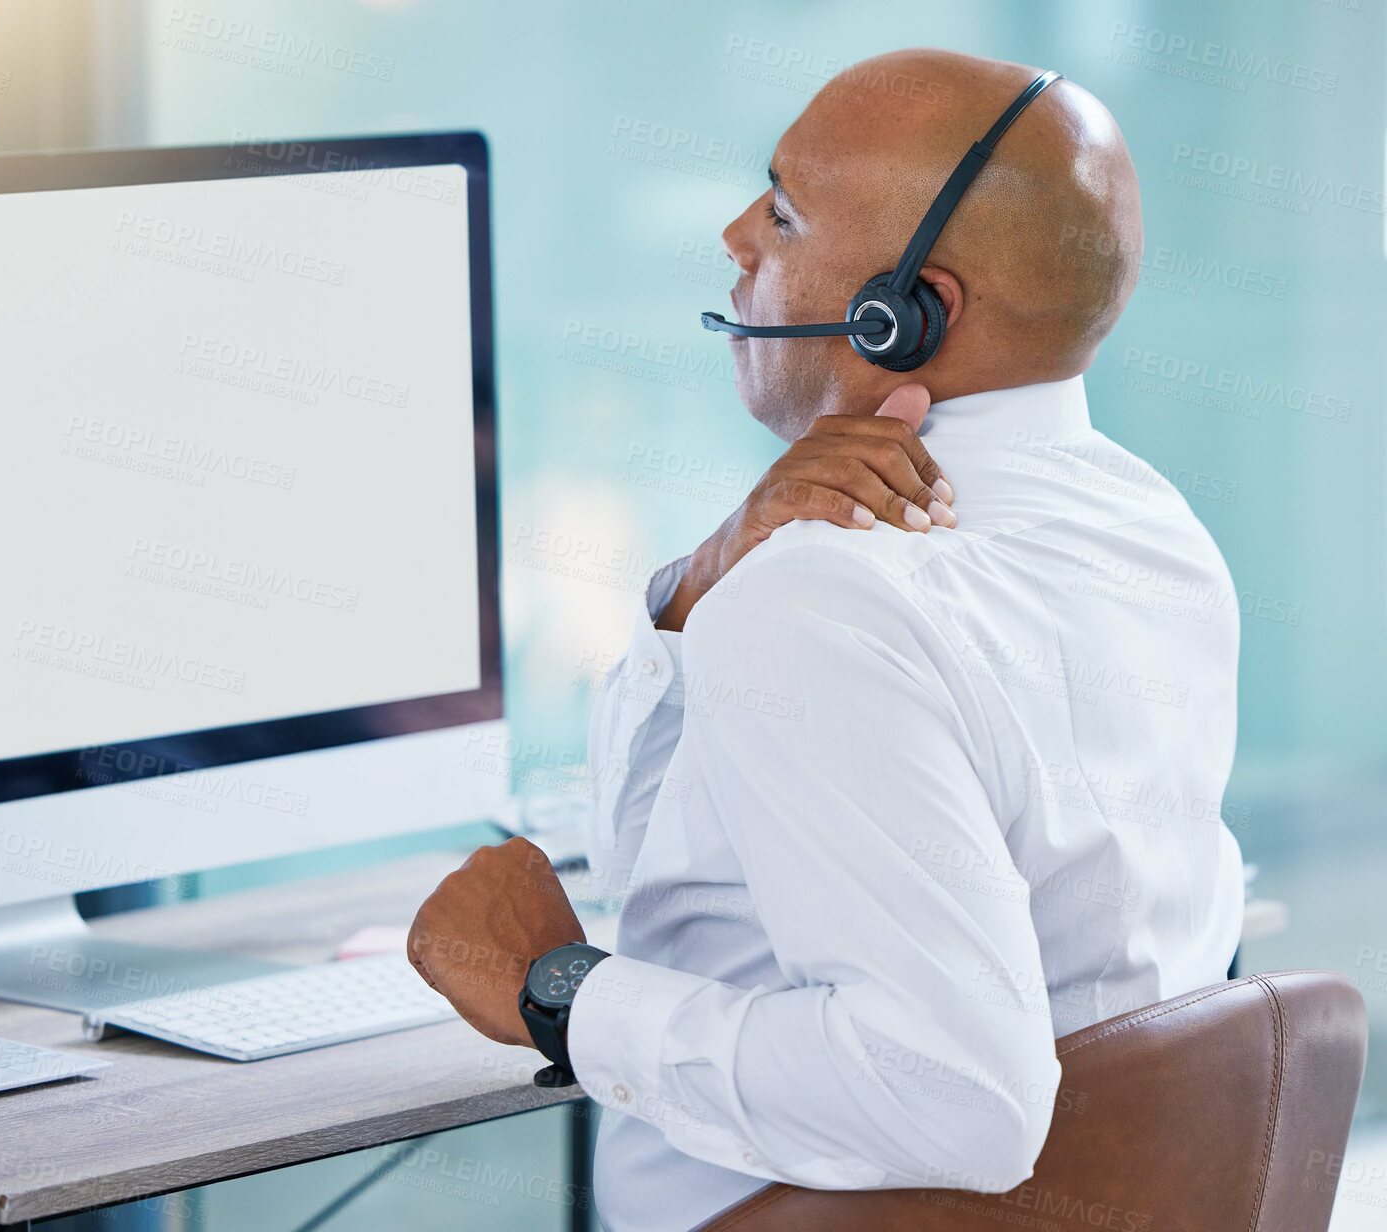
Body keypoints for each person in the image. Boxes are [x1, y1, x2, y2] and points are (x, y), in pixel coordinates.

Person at [408, 48, 1244, 1231]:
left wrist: (556, 992)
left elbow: (960, 1098)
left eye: (784, 210)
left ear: (902, 313)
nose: (734, 235)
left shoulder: (824, 597)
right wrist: (707, 580)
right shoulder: (1151, 532)